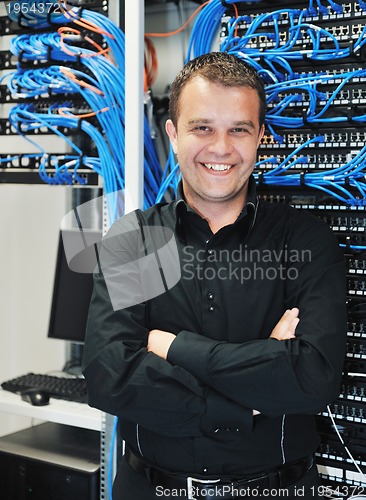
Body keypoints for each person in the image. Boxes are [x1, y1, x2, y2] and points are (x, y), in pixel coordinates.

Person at [82, 51, 347, 499]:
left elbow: (313, 379)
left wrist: (172, 347)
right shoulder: (137, 240)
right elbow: (110, 375)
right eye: (202, 127)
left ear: (260, 136)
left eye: (238, 129)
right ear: (173, 133)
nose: (221, 148)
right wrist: (255, 384)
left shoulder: (305, 242)